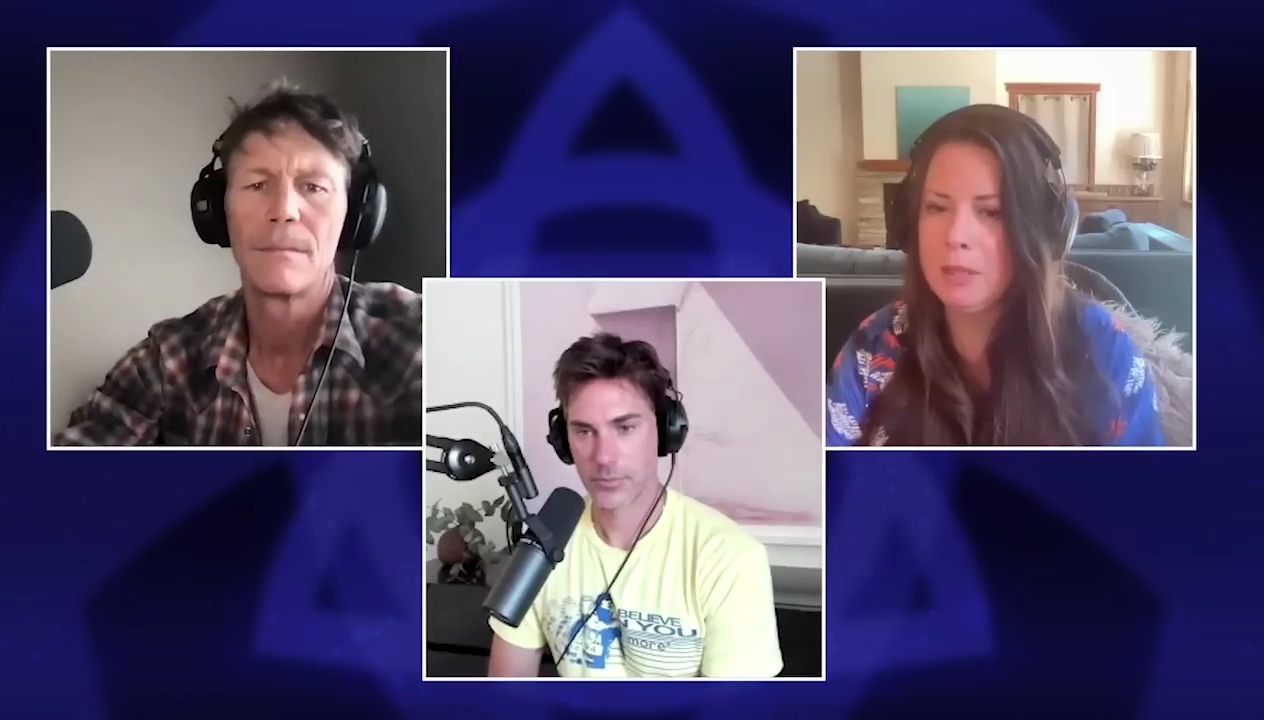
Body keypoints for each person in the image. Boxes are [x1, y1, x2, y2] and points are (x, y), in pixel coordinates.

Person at [53, 80, 422, 446]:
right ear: (218, 211)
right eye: (258, 185)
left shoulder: (421, 339)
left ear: (354, 215)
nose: (284, 210)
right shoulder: (167, 360)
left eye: (313, 187)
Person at [827, 104, 1164, 447]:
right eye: (937, 207)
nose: (956, 235)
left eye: (991, 212)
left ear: (1042, 229)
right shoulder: (874, 345)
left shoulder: (1104, 352)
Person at [487, 333, 783, 678]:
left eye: (625, 427)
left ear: (665, 429)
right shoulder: (545, 541)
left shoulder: (729, 558)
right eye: (584, 431)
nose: (604, 457)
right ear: (563, 440)